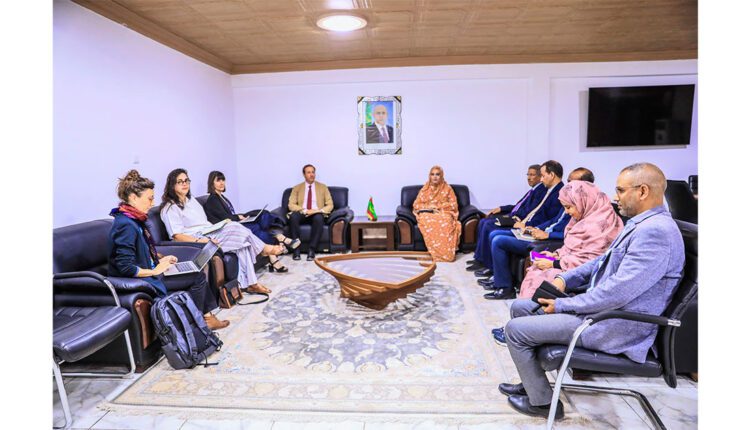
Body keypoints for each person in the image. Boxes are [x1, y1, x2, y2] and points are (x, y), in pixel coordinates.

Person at [500, 163, 684, 420]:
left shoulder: (656, 232)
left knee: (515, 331)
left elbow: (618, 292)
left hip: (614, 324)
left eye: (621, 190)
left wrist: (564, 304)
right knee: (521, 307)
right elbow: (600, 262)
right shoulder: (641, 224)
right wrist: (565, 279)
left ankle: (541, 403)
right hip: (604, 312)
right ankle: (532, 383)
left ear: (642, 191)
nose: (616, 197)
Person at [108, 170, 229, 330]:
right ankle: (198, 323)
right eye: (150, 199)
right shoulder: (126, 225)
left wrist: (160, 259)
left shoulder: (134, 220)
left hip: (150, 271)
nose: (152, 204)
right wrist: (155, 270)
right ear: (133, 198)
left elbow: (142, 252)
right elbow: (125, 267)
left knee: (195, 270)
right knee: (197, 277)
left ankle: (204, 319)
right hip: (142, 280)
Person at [160, 168, 284, 295]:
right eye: (180, 181)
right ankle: (263, 249)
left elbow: (204, 222)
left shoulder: (191, 201)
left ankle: (251, 284)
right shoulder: (170, 208)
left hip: (209, 232)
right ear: (172, 185)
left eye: (187, 180)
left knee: (242, 242)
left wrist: (219, 226)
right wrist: (201, 241)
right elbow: (177, 236)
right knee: (235, 228)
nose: (185, 184)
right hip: (197, 241)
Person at [482, 168, 594, 301]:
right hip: (546, 238)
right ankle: (499, 279)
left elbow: (569, 236)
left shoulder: (584, 208)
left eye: (572, 182)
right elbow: (553, 221)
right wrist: (534, 229)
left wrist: (547, 235)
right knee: (494, 232)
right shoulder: (569, 200)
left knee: (498, 240)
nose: (568, 185)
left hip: (552, 242)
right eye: (568, 181)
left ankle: (505, 288)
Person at [518, 180, 622, 298]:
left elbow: (592, 261)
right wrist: (556, 255)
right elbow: (572, 247)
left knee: (542, 277)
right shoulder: (582, 217)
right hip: (569, 265)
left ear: (582, 201)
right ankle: (526, 307)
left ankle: (533, 307)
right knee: (537, 270)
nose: (567, 212)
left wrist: (554, 263)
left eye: (568, 207)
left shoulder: (602, 224)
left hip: (587, 274)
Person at [473, 160, 566, 278]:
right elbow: (545, 217)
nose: (541, 179)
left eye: (542, 176)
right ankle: (489, 268)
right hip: (532, 227)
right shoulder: (548, 190)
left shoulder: (558, 194)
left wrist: (531, 227)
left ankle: (500, 282)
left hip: (539, 234)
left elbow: (548, 219)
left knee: (495, 236)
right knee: (488, 226)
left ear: (551, 175)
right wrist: (532, 227)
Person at [204, 170, 300, 273]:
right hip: (228, 228)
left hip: (235, 221)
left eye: (223, 180)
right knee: (256, 227)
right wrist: (238, 217)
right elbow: (224, 218)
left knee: (264, 214)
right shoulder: (212, 200)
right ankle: (280, 239)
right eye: (218, 180)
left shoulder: (222, 197)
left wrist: (240, 216)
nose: (222, 183)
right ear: (212, 183)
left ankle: (278, 242)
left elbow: (229, 214)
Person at [467, 165, 545, 273]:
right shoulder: (532, 190)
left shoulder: (541, 191)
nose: (529, 178)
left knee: (488, 225)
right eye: (528, 174)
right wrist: (501, 208)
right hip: (513, 216)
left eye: (532, 175)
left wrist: (515, 217)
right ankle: (480, 259)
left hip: (518, 220)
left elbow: (529, 211)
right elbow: (518, 206)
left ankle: (486, 264)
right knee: (483, 221)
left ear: (540, 176)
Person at [413, 165, 462, 262]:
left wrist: (438, 206)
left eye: (437, 174)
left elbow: (453, 205)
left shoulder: (448, 189)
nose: (435, 177)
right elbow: (416, 205)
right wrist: (429, 206)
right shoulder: (425, 189)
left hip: (443, 212)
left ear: (441, 176)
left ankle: (447, 254)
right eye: (432, 174)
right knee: (426, 219)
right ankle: (435, 253)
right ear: (429, 176)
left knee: (447, 220)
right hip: (428, 214)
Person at [287, 164, 334, 261]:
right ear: (304, 175)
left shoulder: (323, 187)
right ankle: (296, 249)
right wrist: (304, 210)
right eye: (308, 172)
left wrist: (318, 210)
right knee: (293, 217)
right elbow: (291, 205)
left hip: (316, 212)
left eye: (313, 172)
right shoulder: (297, 188)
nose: (312, 174)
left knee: (319, 218)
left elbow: (330, 205)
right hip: (302, 212)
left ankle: (311, 250)